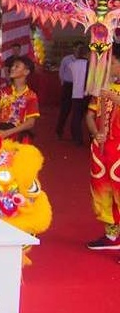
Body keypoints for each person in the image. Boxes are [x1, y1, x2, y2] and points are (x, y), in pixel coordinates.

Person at [84, 43, 120, 251]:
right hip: (102, 149)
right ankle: (111, 235)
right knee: (101, 191)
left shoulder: (111, 92)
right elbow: (90, 115)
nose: (109, 67)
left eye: (112, 63)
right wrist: (95, 132)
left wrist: (117, 99)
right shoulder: (101, 89)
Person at [0, 56, 39, 142]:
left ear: (26, 72)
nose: (12, 68)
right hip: (0, 133)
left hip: (18, 138)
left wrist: (7, 133)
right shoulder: (3, 92)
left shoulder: (31, 96)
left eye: (17, 66)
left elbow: (30, 123)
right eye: (12, 66)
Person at [56, 42, 84, 140]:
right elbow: (61, 72)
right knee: (65, 110)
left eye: (81, 48)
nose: (79, 50)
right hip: (68, 85)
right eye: (78, 48)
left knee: (77, 111)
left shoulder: (84, 60)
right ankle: (59, 131)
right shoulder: (67, 59)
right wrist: (63, 83)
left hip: (79, 86)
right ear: (74, 48)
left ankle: (75, 134)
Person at [67, 46, 90, 145]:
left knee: (76, 117)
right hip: (88, 93)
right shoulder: (90, 64)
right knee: (90, 117)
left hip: (76, 93)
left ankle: (77, 138)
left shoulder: (72, 64)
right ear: (87, 54)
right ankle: (92, 137)